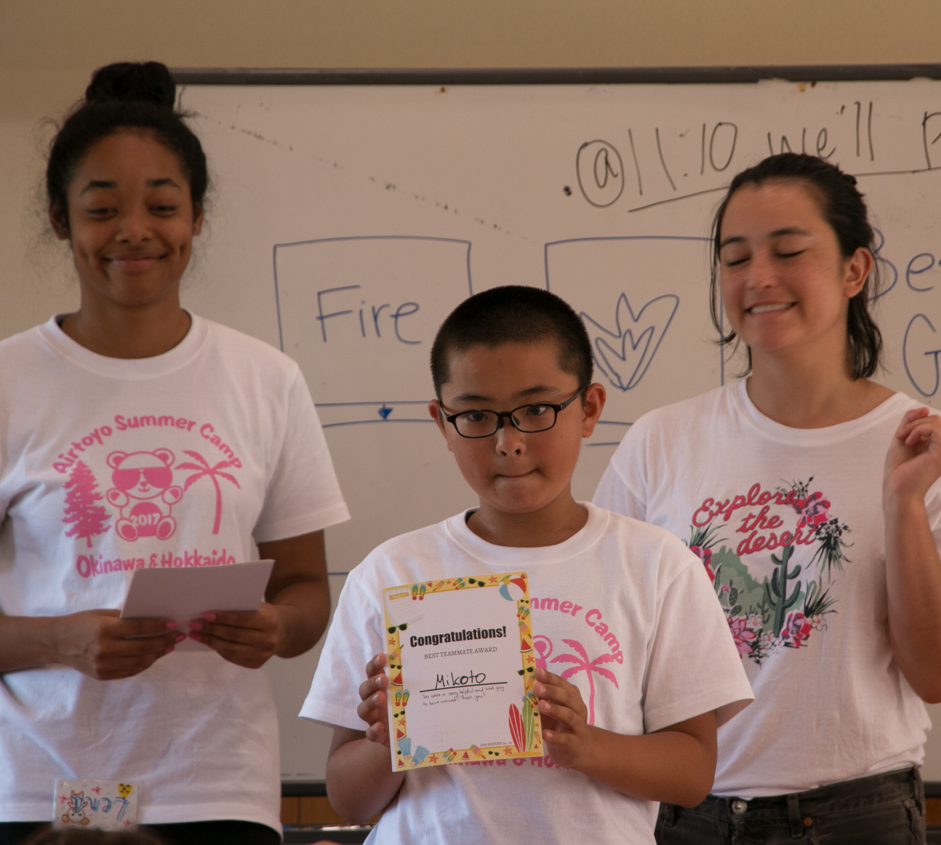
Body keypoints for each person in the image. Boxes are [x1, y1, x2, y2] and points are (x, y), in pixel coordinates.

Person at [0, 62, 350, 845]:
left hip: (216, 784)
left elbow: (309, 591)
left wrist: (275, 624)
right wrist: (63, 638)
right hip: (37, 784)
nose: (135, 230)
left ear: (196, 218)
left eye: (163, 206)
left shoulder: (267, 380)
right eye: (102, 208)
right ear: (61, 219)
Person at [592, 153, 941, 845]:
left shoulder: (930, 448)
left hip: (856, 814)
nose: (758, 278)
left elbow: (938, 676)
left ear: (854, 270)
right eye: (734, 258)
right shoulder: (659, 440)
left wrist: (903, 504)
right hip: (680, 813)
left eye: (789, 251)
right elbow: (606, 636)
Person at [299, 286, 754, 844]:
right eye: (475, 415)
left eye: (536, 409)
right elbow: (347, 796)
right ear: (442, 423)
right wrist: (391, 738)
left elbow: (691, 773)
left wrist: (586, 744)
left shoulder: (656, 566)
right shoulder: (392, 571)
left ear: (588, 409)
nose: (507, 441)